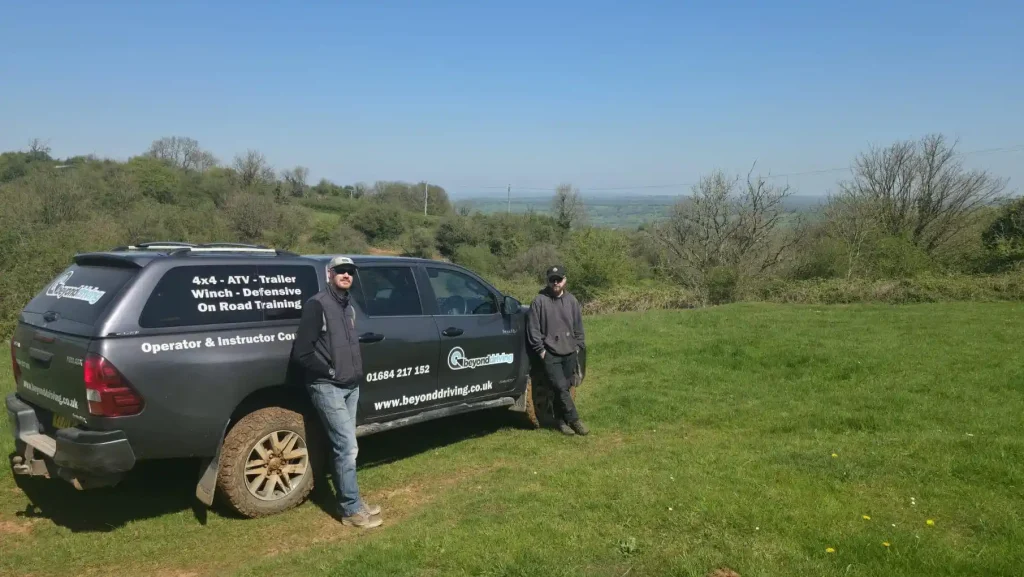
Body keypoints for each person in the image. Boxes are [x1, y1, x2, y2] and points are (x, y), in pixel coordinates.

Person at [292, 255, 382, 528]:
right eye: (341, 271)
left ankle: (352, 499)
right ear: (329, 273)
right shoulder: (317, 305)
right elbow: (302, 352)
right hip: (327, 385)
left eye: (350, 272)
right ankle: (351, 510)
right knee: (347, 446)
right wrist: (329, 372)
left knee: (345, 446)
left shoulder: (347, 305)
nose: (346, 275)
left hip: (350, 385)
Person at [527, 264, 589, 436]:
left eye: (559, 280)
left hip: (569, 351)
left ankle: (561, 422)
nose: (556, 283)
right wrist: (542, 351)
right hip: (550, 353)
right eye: (552, 280)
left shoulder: (572, 301)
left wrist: (578, 347)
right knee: (560, 387)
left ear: (565, 280)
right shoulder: (539, 301)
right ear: (547, 281)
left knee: (563, 388)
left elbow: (579, 329)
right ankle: (575, 420)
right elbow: (533, 331)